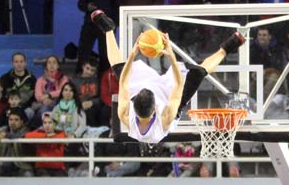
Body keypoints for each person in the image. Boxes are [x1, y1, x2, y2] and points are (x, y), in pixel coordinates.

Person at [92, 9, 244, 143]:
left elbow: (124, 82)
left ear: (134, 104)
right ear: (155, 110)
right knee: (199, 72)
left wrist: (132, 55)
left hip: (149, 101)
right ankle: (226, 48)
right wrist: (171, 54)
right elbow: (178, 84)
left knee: (118, 68)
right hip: (168, 101)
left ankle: (108, 29)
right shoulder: (166, 118)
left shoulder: (125, 114)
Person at [77, 0, 120, 73]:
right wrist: (87, 6)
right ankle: (81, 74)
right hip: (90, 23)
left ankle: (104, 77)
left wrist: (115, 23)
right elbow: (80, 4)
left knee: (105, 53)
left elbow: (117, 6)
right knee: (83, 50)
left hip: (106, 24)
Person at [0, 109, 32, 178]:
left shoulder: (27, 132)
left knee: (28, 175)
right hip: (4, 168)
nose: (13, 122)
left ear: (22, 122)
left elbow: (19, 138)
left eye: (16, 120)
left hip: (21, 168)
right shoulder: (1, 132)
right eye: (11, 119)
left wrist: (6, 135)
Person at [33, 55, 69, 120]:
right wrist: (44, 100)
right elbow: (38, 95)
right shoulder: (40, 80)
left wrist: (49, 95)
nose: (51, 65)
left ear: (58, 66)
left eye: (54, 62)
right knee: (44, 109)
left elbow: (63, 91)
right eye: (49, 62)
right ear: (46, 66)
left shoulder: (64, 78)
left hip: (59, 102)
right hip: (44, 103)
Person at [71, 58, 103, 127]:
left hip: (94, 105)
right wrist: (80, 103)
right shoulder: (74, 81)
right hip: (78, 104)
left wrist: (92, 102)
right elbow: (70, 96)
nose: (89, 72)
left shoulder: (97, 81)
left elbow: (101, 97)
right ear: (83, 67)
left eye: (92, 70)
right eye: (87, 68)